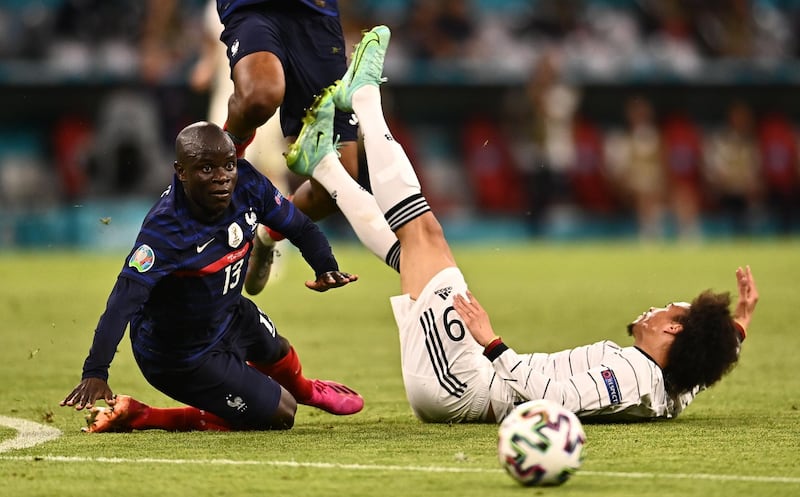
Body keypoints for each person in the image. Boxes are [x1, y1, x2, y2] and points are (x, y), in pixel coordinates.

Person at [284, 25, 759, 423]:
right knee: (416, 251)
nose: (655, 310)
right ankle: (324, 164)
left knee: (424, 233)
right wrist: (736, 326)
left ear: (674, 332)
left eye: (668, 311)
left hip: (463, 383)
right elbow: (705, 366)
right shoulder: (673, 384)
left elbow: (551, 402)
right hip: (465, 380)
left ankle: (365, 97)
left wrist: (492, 341)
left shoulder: (634, 378)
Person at [60, 121, 362, 432]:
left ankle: (306, 389)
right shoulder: (164, 232)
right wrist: (96, 371)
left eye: (228, 165)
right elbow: (122, 302)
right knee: (282, 414)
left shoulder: (246, 183)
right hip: (180, 356)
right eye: (206, 169)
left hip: (229, 314)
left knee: (277, 350)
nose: (222, 178)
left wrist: (324, 264)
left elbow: (298, 225)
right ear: (181, 172)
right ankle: (145, 415)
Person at [215, 0, 398, 295]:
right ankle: (223, 168)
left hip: (316, 19)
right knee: (261, 95)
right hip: (253, 8)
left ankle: (266, 233)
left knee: (336, 184)